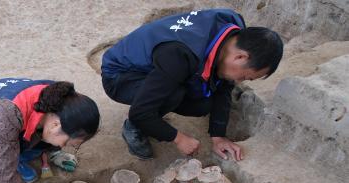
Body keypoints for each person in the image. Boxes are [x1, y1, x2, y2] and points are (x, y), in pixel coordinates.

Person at [101, 8, 283, 161]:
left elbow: (223, 86)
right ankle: (133, 127)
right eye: (244, 76)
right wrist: (178, 138)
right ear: (240, 57)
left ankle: (154, 109)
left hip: (160, 64)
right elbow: (140, 112)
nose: (239, 81)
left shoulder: (234, 34)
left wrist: (218, 136)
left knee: (202, 103)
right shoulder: (178, 55)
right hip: (119, 75)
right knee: (172, 95)